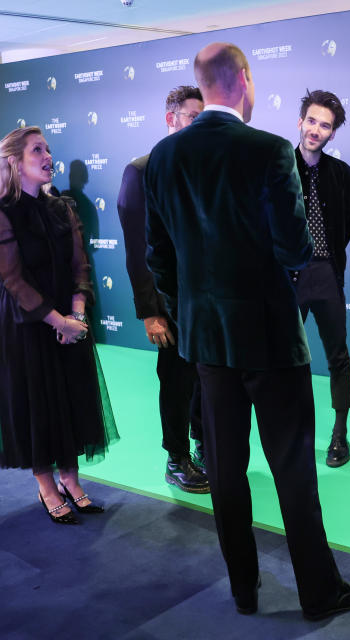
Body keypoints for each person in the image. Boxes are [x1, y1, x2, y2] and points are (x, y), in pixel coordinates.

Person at [143, 43, 350, 619]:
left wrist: (191, 312)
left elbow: (159, 260)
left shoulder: (163, 157)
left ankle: (244, 591)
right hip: (272, 341)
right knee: (293, 471)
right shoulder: (271, 151)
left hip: (207, 344)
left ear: (203, 84)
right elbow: (296, 248)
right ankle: (319, 594)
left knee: (225, 472)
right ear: (244, 81)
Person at [0, 126, 118, 525]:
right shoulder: (0, 214)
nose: (48, 156)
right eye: (37, 150)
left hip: (68, 322)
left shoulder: (62, 207)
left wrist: (76, 315)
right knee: (39, 404)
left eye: (48, 149)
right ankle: (46, 486)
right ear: (14, 162)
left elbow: (80, 266)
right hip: (28, 326)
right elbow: (13, 280)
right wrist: (57, 320)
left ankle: (72, 481)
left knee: (73, 399)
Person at [117, 85, 209, 493]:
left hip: (206, 299)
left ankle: (205, 444)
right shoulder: (141, 170)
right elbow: (138, 251)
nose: (198, 124)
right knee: (176, 382)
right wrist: (150, 312)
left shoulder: (206, 166)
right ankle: (176, 457)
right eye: (191, 116)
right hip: (167, 302)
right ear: (170, 118)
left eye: (202, 117)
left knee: (207, 379)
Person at [291, 89, 350, 468]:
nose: (316, 130)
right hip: (290, 278)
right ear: (300, 122)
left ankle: (339, 433)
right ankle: (294, 433)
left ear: (333, 133)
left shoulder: (342, 173)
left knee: (338, 357)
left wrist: (324, 259)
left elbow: (344, 227)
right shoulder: (278, 166)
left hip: (328, 273)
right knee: (288, 358)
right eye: (312, 121)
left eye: (325, 125)